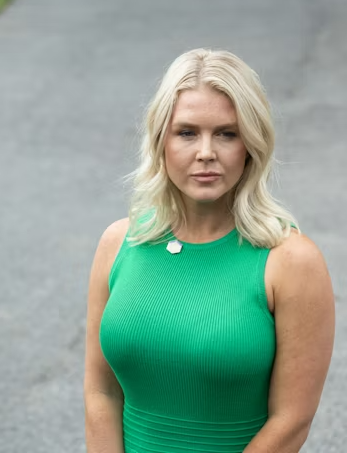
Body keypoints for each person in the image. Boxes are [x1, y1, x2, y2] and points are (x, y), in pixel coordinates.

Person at [83, 48, 334, 452]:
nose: (206, 152)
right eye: (186, 132)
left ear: (250, 145)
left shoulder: (291, 261)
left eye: (226, 133)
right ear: (161, 141)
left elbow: (291, 421)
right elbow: (101, 393)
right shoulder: (119, 243)